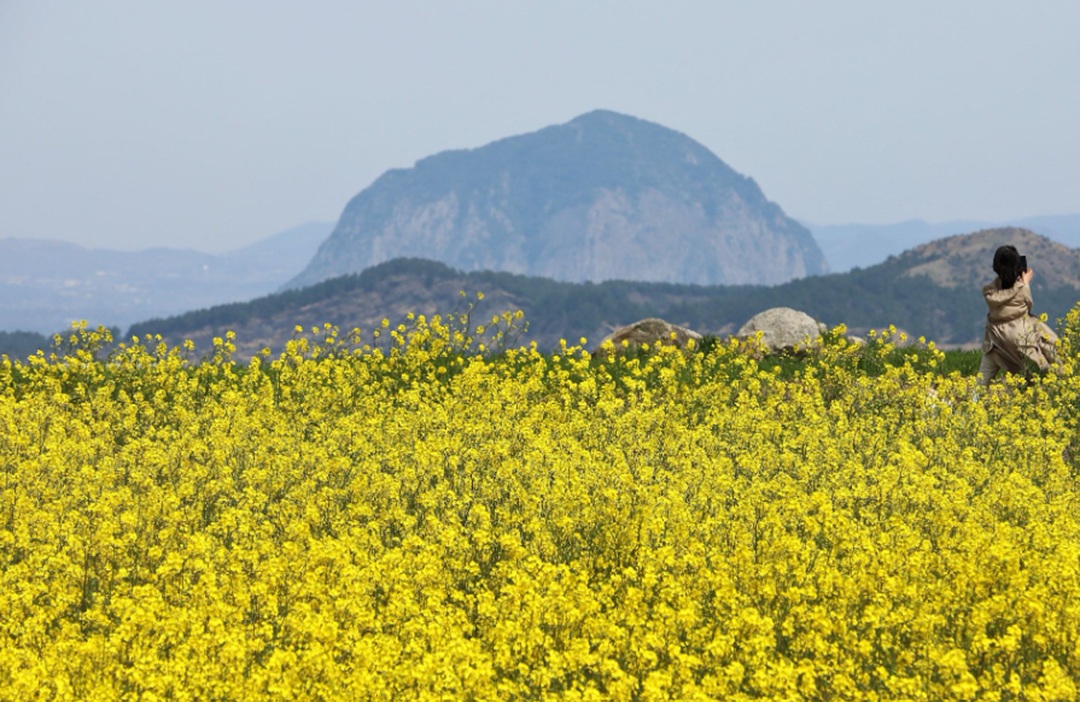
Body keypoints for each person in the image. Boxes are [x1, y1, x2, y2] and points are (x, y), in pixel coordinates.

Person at [979, 244, 1059, 385]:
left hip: (995, 342)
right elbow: (1029, 305)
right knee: (1041, 375)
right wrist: (1024, 284)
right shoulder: (1022, 289)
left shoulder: (989, 291)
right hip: (1021, 339)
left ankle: (971, 401)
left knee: (981, 381)